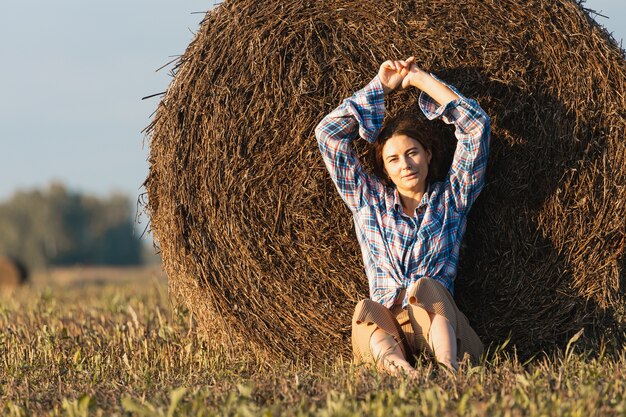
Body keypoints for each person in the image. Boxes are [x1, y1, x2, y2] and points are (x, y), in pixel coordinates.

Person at [315, 57, 490, 375]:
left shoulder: (452, 200)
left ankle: (449, 369)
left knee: (427, 288)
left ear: (428, 154)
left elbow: (476, 126)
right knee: (366, 309)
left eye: (412, 153)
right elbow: (328, 135)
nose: (405, 165)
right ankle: (402, 372)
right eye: (393, 159)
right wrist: (379, 86)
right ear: (384, 168)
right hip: (389, 324)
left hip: (437, 325)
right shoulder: (368, 203)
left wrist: (422, 81)